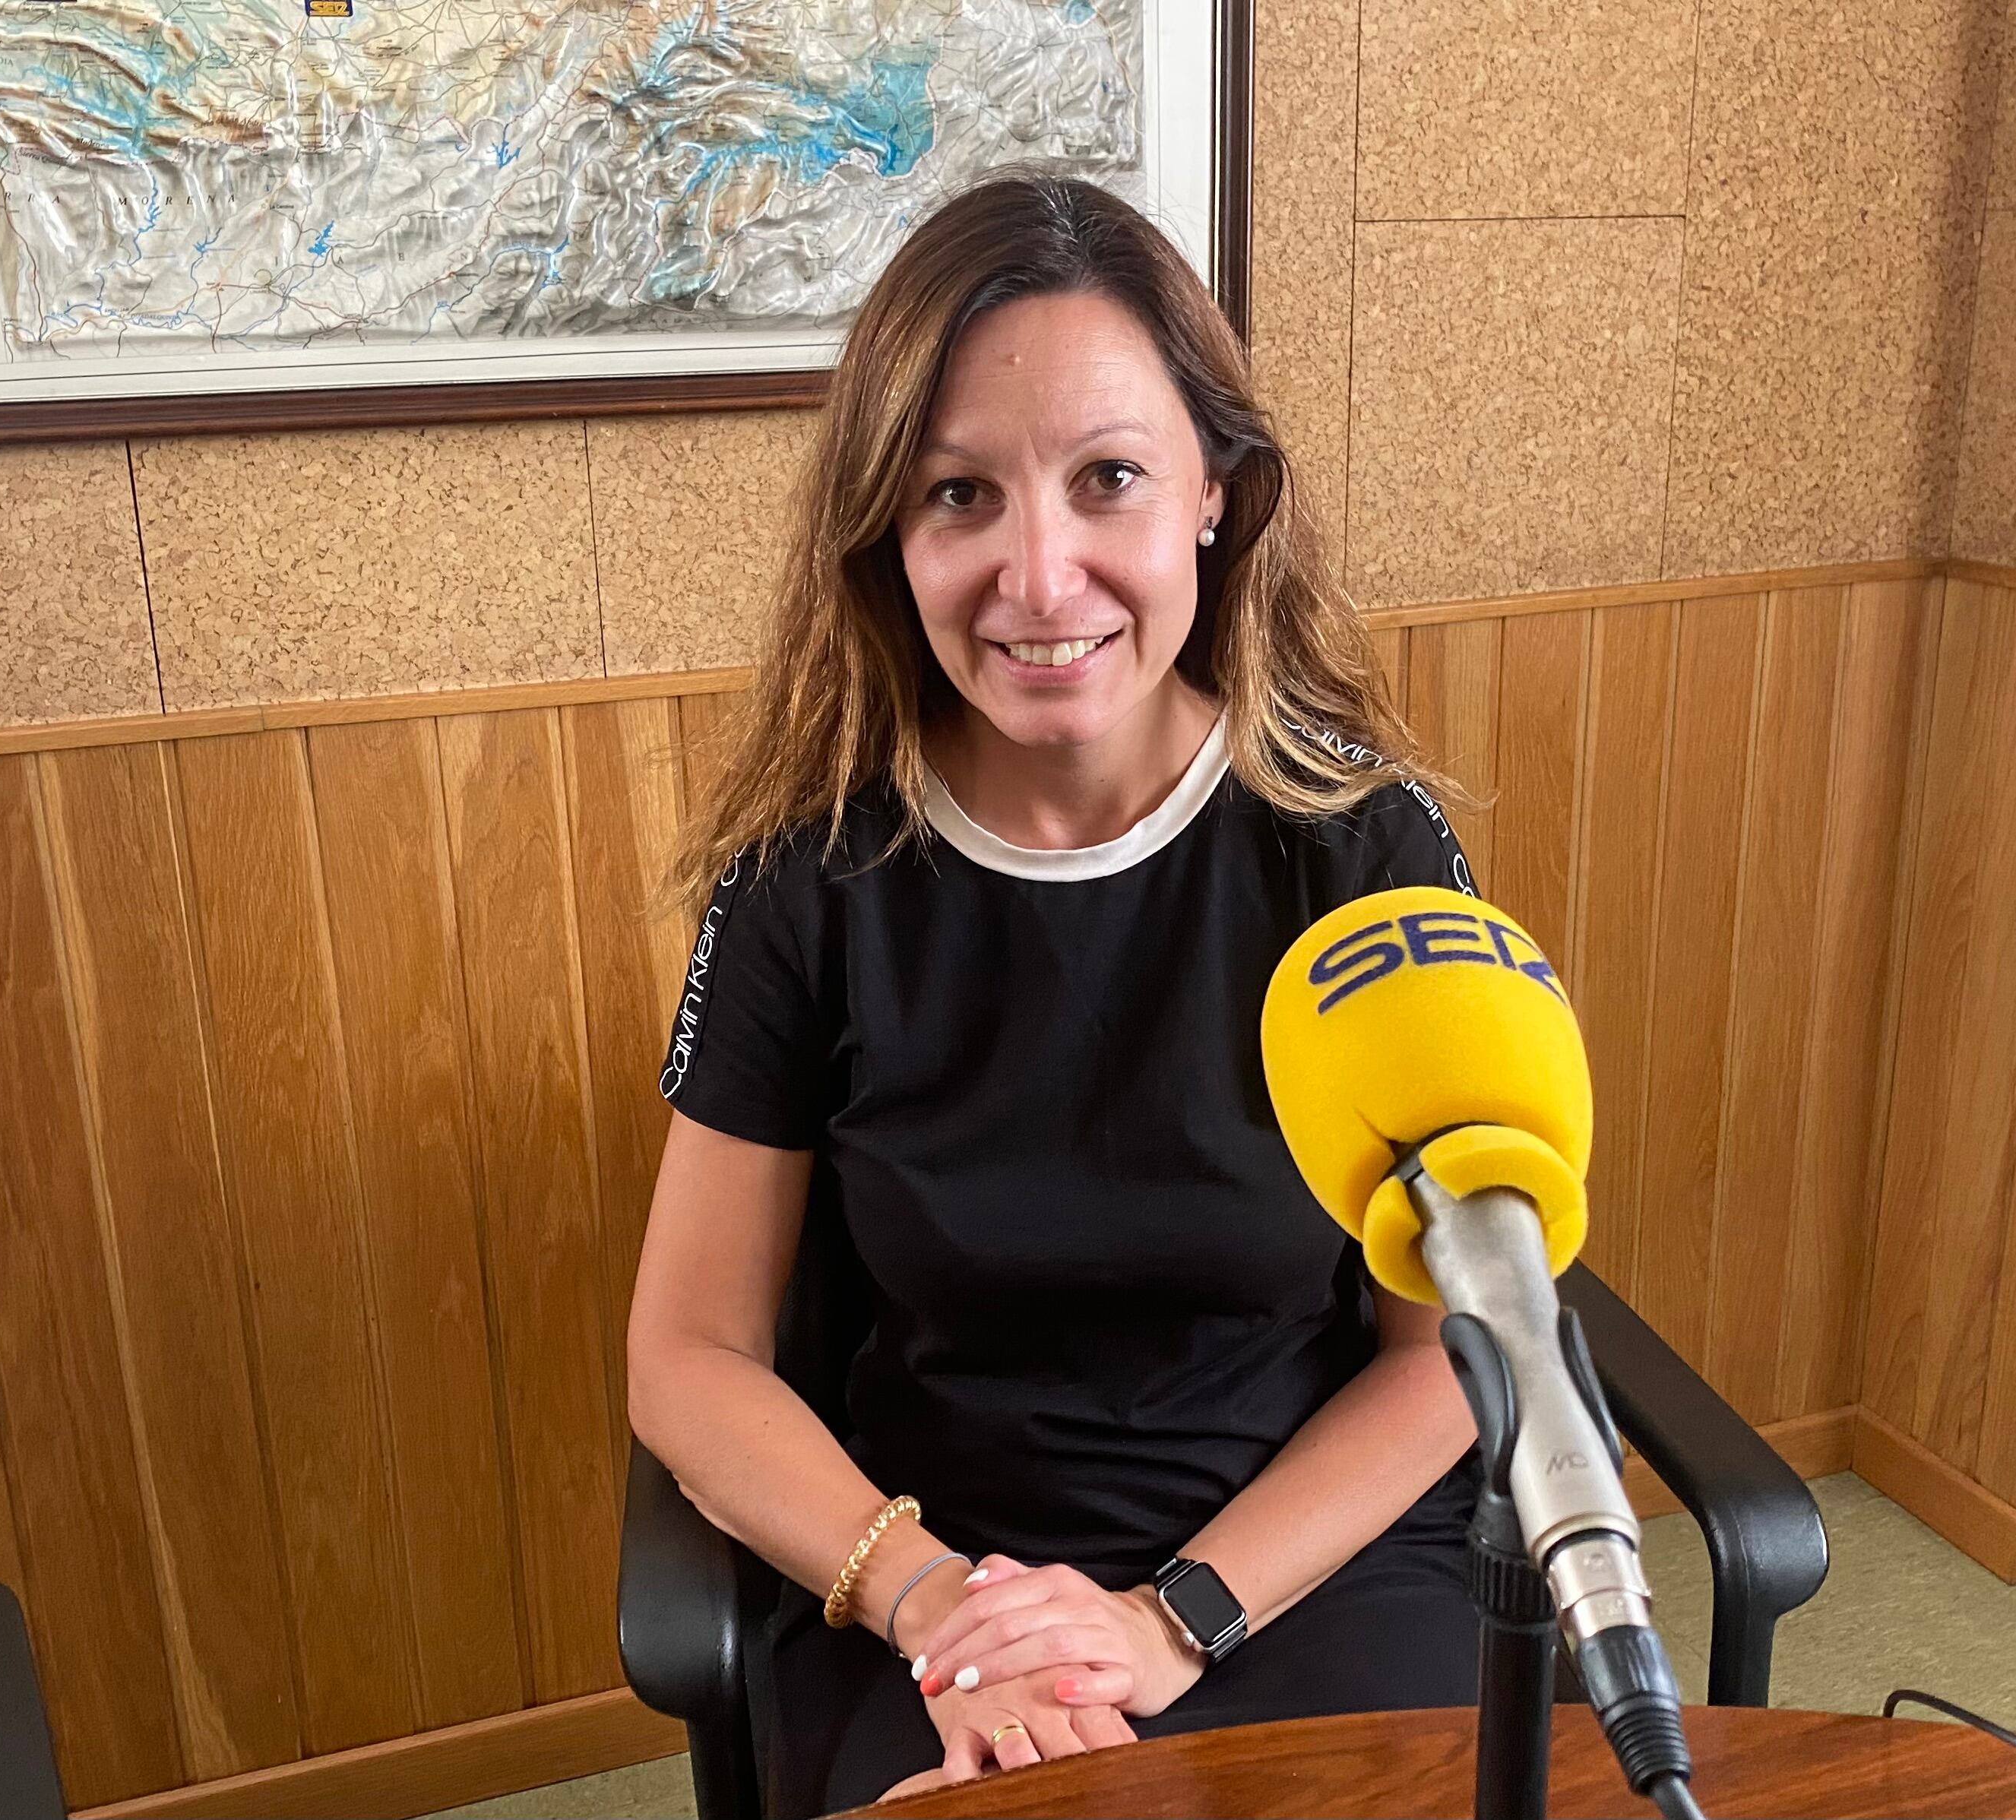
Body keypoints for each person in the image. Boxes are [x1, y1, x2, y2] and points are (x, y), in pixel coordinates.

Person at [624, 173, 1486, 1814]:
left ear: (1215, 496)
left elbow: (1445, 1352)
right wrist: (935, 1600)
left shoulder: (1361, 847)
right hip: (944, 1597)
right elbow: (688, 1351)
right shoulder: (808, 876)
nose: (1039, 573)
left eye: (1109, 480)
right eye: (961, 494)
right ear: (889, 527)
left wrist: (1178, 1619)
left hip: (1301, 1566)